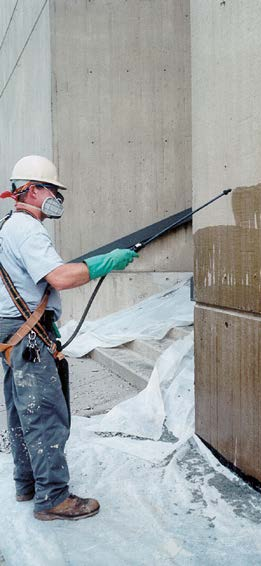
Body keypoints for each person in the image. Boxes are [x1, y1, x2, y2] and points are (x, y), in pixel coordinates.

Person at [0, 155, 138, 521]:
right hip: (26, 334)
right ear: (30, 190)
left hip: (15, 331)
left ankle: (27, 484)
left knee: (22, 410)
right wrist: (105, 263)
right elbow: (59, 277)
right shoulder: (27, 229)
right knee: (45, 413)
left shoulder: (6, 227)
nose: (56, 196)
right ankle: (53, 498)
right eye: (51, 189)